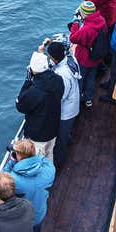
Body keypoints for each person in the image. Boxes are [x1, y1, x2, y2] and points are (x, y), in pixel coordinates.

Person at [3, 139, 55, 232]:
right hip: (39, 214)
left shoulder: (15, 180)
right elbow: (43, 160)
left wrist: (12, 162)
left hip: (23, 220)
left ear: (19, 156)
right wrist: (32, 157)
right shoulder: (49, 169)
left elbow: (3, 180)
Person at [38, 40, 80, 168]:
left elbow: (61, 96)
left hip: (66, 112)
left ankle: (58, 163)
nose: (49, 59)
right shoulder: (70, 58)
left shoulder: (63, 75)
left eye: (50, 57)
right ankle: (67, 138)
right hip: (74, 104)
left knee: (61, 140)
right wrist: (41, 52)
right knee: (65, 133)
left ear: (54, 58)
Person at [15, 52, 64, 160]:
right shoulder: (59, 80)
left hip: (38, 135)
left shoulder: (33, 91)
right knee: (49, 155)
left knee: (37, 163)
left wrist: (27, 81)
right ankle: (50, 174)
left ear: (32, 70)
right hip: (53, 128)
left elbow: (20, 105)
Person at [68, 1, 108, 107]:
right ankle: (89, 99)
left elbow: (73, 38)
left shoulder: (87, 29)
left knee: (80, 79)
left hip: (85, 58)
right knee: (91, 78)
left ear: (84, 13)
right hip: (96, 56)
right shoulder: (102, 20)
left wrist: (76, 22)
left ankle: (78, 98)